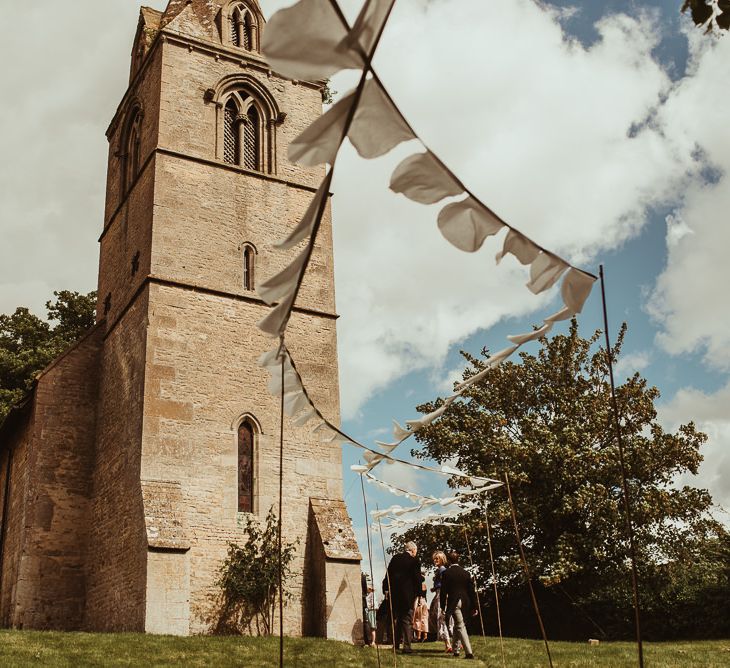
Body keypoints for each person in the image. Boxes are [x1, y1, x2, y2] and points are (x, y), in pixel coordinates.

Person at [383, 540, 422, 654]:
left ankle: (395, 645)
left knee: (398, 620)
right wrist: (419, 595)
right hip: (407, 596)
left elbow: (388, 575)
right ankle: (407, 646)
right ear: (413, 550)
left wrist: (385, 589)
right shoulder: (414, 561)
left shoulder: (395, 558)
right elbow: (417, 579)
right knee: (407, 620)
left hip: (395, 594)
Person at [440, 550, 477, 660]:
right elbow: (471, 591)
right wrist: (474, 606)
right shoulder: (466, 573)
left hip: (454, 602)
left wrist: (442, 607)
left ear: (449, 561)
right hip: (465, 602)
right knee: (458, 624)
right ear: (458, 560)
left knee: (460, 625)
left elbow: (443, 591)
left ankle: (469, 652)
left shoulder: (446, 573)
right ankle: (456, 650)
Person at [430, 550, 453, 653]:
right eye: (434, 558)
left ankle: (448, 644)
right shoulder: (441, 570)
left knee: (441, 617)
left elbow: (445, 584)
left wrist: (437, 588)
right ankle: (453, 642)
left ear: (442, 559)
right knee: (440, 617)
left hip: (441, 595)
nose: (435, 560)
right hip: (439, 594)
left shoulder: (442, 570)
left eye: (437, 558)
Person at [412, 569, 429, 641]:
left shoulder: (417, 586)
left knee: (417, 619)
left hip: (419, 601)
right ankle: (425, 636)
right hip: (424, 601)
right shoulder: (425, 586)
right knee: (424, 618)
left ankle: (418, 636)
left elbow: (418, 595)